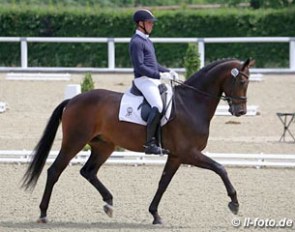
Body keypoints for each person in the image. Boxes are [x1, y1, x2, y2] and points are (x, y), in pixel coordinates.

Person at [129, 9, 179, 155]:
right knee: (157, 105)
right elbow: (140, 66)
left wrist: (167, 71)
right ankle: (149, 143)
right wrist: (159, 76)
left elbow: (153, 64)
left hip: (151, 79)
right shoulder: (136, 42)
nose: (152, 25)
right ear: (140, 23)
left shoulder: (146, 40)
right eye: (149, 23)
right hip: (143, 80)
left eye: (152, 23)